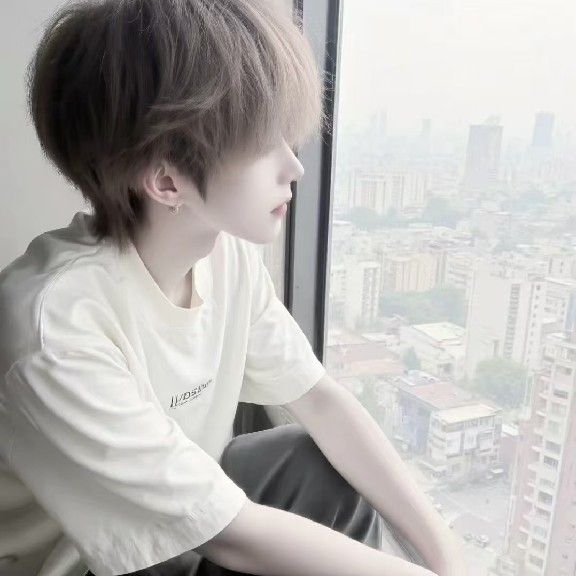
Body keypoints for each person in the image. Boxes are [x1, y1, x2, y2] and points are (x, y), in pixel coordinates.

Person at [0, 1, 466, 575]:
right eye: (262, 143)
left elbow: (320, 401)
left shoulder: (227, 257)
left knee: (309, 462)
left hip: (180, 536)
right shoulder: (55, 325)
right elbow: (232, 536)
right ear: (166, 180)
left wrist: (447, 558)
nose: (294, 166)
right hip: (87, 566)